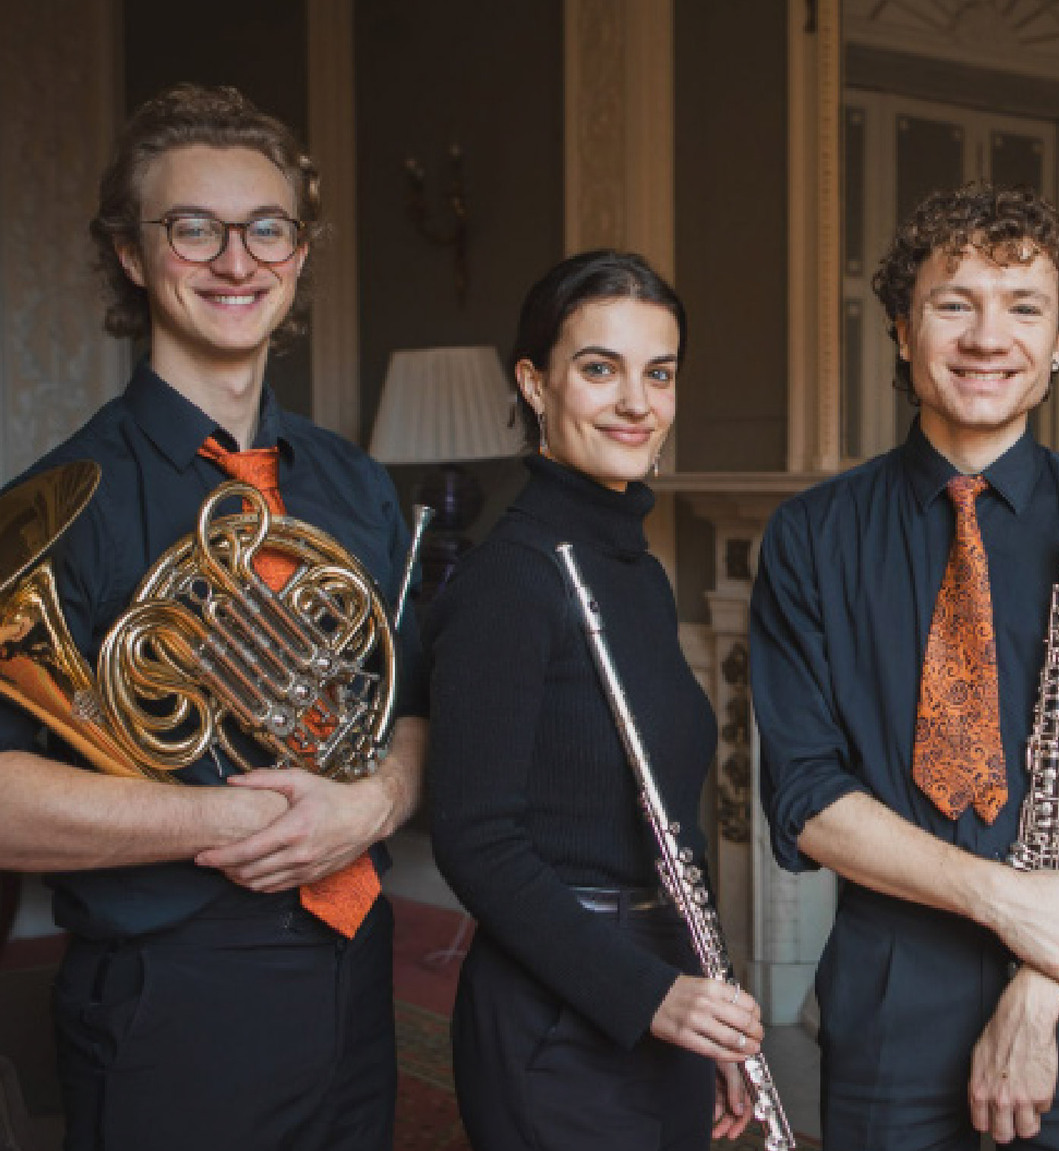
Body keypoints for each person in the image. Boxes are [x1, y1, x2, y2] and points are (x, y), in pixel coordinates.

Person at [0, 83, 428, 1150]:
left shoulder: (354, 484)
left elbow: (412, 706)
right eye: (194, 228)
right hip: (173, 993)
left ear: (300, 253)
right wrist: (237, 822)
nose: (237, 260)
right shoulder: (60, 506)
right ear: (132, 254)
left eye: (267, 228)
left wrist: (374, 801)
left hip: (354, 962)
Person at [750, 183, 1059, 1149]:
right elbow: (806, 794)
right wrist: (1004, 900)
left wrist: (1038, 988)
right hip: (890, 1003)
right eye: (954, 303)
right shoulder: (809, 537)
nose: (988, 337)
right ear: (902, 330)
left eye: (1024, 308)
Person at [426, 250, 762, 1150]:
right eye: (600, 368)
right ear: (535, 383)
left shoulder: (636, 573)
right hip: (556, 1018)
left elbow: (672, 832)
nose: (636, 402)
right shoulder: (511, 578)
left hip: (661, 984)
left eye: (660, 372)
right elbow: (475, 841)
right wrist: (652, 995)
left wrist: (710, 1001)